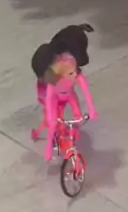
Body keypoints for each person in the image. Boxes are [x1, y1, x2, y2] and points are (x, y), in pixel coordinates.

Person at [31, 23, 98, 161]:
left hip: (66, 91)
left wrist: (92, 110)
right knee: (53, 122)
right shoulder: (53, 72)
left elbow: (84, 87)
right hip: (54, 92)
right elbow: (50, 95)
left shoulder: (70, 67)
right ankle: (50, 147)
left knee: (76, 112)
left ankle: (66, 134)